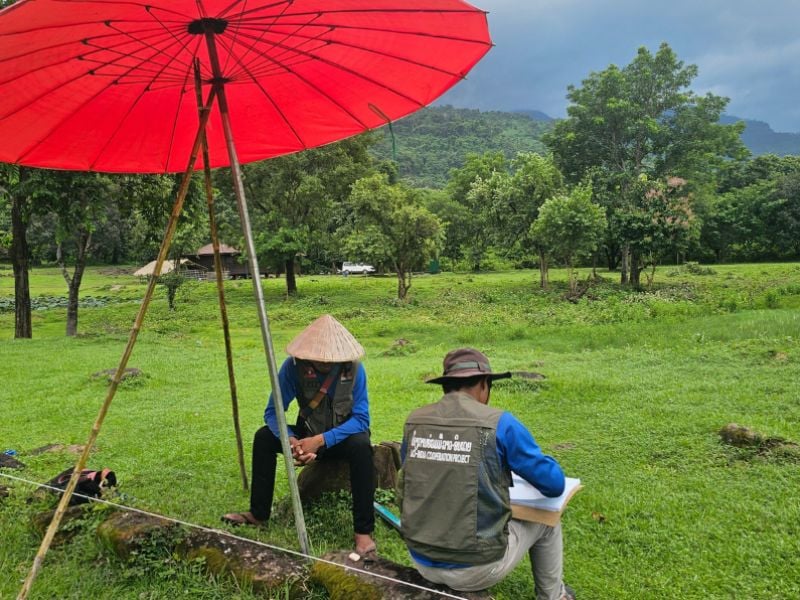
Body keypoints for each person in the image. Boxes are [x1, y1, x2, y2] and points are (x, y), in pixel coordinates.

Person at [399, 348, 575, 600]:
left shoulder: (414, 421)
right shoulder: (500, 423)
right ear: (484, 384)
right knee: (548, 521)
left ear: (445, 386)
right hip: (475, 568)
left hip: (420, 558)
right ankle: (554, 596)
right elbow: (554, 484)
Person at [223, 314, 376, 555]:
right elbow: (274, 412)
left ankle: (363, 532)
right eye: (318, 359)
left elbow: (361, 419)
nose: (324, 363)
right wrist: (292, 441)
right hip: (306, 434)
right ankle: (258, 514)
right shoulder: (292, 367)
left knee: (362, 445)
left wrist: (321, 441)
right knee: (263, 438)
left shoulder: (354, 370)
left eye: (330, 360)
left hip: (340, 438)